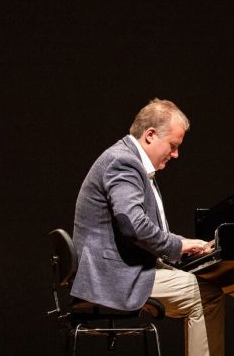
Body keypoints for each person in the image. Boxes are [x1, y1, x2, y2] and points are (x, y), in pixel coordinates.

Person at [71, 98, 225, 356]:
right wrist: (179, 245)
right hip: (112, 275)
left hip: (120, 269)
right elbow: (134, 225)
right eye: (173, 146)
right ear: (151, 135)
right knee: (208, 295)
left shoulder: (128, 160)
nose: (176, 154)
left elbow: (138, 227)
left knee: (203, 286)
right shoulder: (124, 162)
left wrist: (182, 244)